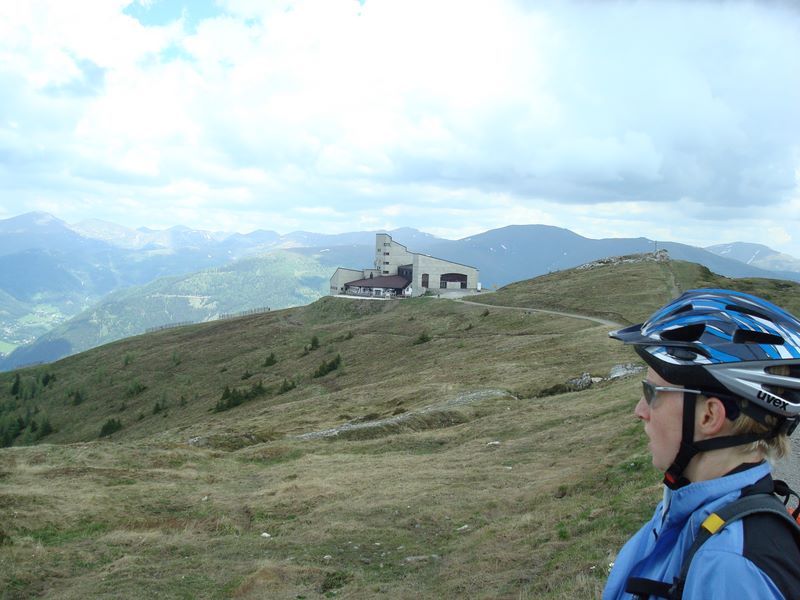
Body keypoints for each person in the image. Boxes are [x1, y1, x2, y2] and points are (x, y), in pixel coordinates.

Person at [603, 289, 800, 600]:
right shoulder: (691, 508)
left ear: (709, 416)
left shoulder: (731, 568)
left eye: (651, 392)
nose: (639, 411)